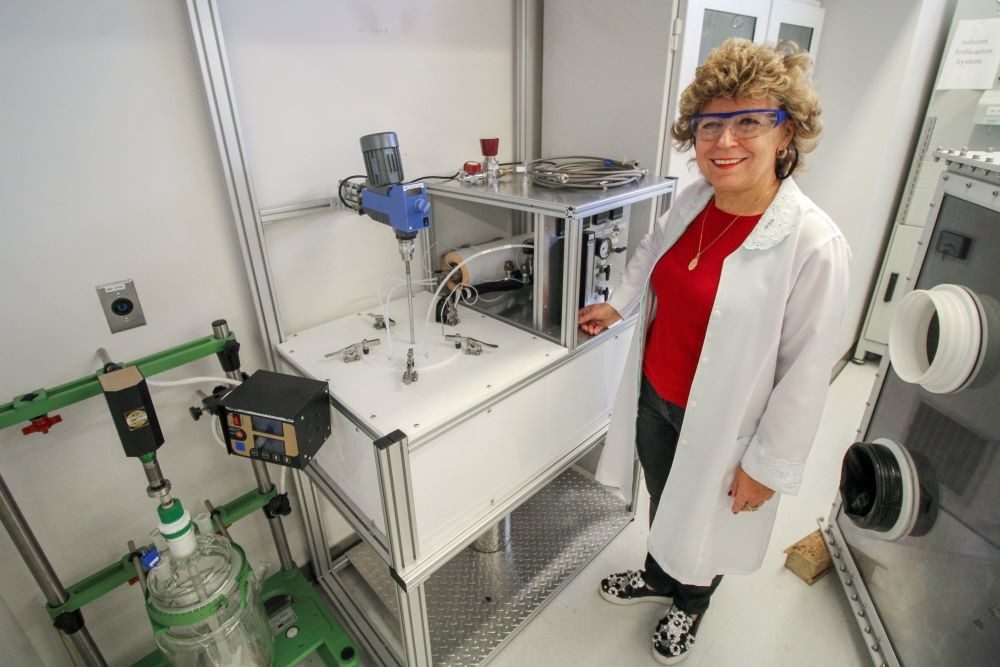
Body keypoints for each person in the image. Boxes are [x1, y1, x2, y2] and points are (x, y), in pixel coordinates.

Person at [577, 39, 850, 664]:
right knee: (665, 495)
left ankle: (691, 601)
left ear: (786, 133)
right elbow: (651, 252)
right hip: (656, 393)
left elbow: (806, 373)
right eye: (710, 125)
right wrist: (620, 303)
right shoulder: (696, 200)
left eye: (749, 121)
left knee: (705, 516)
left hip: (728, 421)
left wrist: (767, 466)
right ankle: (659, 575)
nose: (725, 141)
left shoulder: (814, 243)